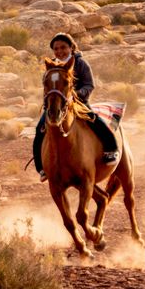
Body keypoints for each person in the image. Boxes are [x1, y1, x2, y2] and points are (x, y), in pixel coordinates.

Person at [32, 32, 120, 179]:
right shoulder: (51, 67)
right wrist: (48, 102)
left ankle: (111, 150)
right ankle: (41, 167)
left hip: (78, 103)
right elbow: (46, 88)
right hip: (55, 106)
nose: (59, 51)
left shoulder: (80, 63)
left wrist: (75, 96)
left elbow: (89, 85)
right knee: (39, 129)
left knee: (95, 121)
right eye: (56, 48)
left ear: (71, 47)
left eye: (63, 47)